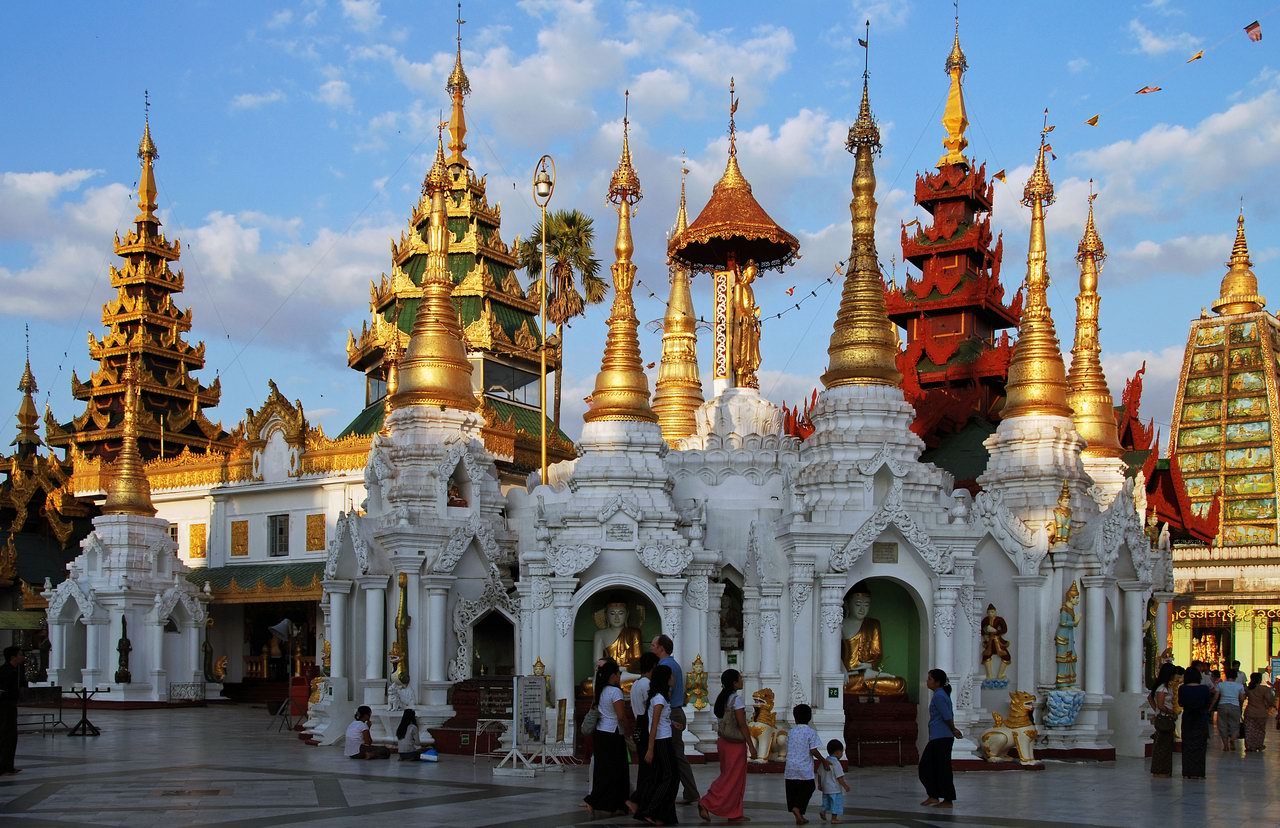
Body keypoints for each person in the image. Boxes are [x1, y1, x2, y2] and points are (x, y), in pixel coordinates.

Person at [699, 669, 755, 823]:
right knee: (732, 778)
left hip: (723, 742)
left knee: (730, 776)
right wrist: (751, 745)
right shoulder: (736, 700)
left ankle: (734, 812)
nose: (742, 680)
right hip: (735, 744)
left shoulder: (722, 698)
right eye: (740, 678)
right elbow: (742, 725)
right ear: (734, 682)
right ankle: (707, 801)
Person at [628, 664, 679, 825]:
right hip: (661, 742)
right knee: (670, 777)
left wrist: (672, 723)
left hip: (663, 738)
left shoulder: (659, 697)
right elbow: (654, 725)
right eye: (671, 675)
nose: (673, 678)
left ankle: (657, 812)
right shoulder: (659, 699)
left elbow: (660, 720)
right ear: (666, 679)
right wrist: (650, 749)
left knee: (663, 777)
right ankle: (651, 811)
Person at [651, 634, 699, 804]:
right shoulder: (671, 664)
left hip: (671, 712)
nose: (651, 647)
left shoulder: (665, 666)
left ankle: (690, 791)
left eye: (654, 645)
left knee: (676, 755)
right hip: (674, 711)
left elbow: (667, 692)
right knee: (673, 754)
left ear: (661, 648)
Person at [584, 658, 630, 818]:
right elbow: (621, 716)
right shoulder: (616, 692)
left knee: (603, 770)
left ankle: (603, 801)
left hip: (601, 732)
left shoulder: (601, 690)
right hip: (613, 733)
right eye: (618, 674)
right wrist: (629, 729)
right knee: (617, 770)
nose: (619, 677)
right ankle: (611, 802)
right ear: (613, 675)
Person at [918, 668, 960, 808]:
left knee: (940, 768)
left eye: (930, 679)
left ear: (937, 682)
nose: (927, 681)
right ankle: (934, 795)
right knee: (930, 767)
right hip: (938, 736)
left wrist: (953, 729)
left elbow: (947, 716)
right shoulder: (939, 695)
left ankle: (947, 799)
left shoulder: (939, 696)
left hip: (942, 737)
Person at [782, 703, 828, 826]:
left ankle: (799, 815)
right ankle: (798, 809)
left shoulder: (791, 732)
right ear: (809, 717)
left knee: (793, 791)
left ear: (795, 718)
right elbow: (813, 750)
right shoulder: (811, 732)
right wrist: (823, 760)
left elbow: (787, 747)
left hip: (791, 768)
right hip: (804, 768)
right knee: (808, 788)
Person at [632, 652, 660, 794]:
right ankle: (644, 795)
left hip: (638, 723)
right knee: (649, 766)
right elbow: (652, 709)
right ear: (654, 666)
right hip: (646, 724)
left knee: (644, 766)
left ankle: (640, 795)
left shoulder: (635, 684)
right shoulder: (647, 684)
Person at [1178, 667, 1212, 779]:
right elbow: (1208, 703)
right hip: (1201, 718)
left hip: (1188, 717)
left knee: (1187, 744)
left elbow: (1181, 703)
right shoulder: (1204, 689)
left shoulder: (1182, 688)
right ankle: (1199, 771)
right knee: (1200, 745)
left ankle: (1187, 771)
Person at [1148, 662, 1177, 777]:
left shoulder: (1164, 687)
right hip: (1164, 718)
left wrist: (1157, 710)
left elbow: (1150, 697)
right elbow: (1160, 705)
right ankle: (1160, 770)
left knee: (1165, 744)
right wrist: (1170, 712)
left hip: (1164, 716)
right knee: (1162, 745)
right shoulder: (1162, 689)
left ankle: (1163, 769)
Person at [0, 646, 25, 776]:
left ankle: (8, 765)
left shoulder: (17, 670)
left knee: (11, 736)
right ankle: (3, 766)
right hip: (5, 706)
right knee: (5, 735)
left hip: (10, 705)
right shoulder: (5, 671)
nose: (23, 656)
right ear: (13, 657)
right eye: (20, 654)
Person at [816, 739, 850, 824]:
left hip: (825, 788)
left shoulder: (824, 762)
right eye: (842, 752)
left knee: (826, 801)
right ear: (838, 752)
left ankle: (823, 811)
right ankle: (834, 818)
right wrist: (845, 785)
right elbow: (839, 777)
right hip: (835, 789)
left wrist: (819, 785)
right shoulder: (836, 763)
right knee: (836, 803)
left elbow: (819, 774)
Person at [1243, 672, 1275, 752]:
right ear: (1260, 679)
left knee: (1249, 730)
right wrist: (1270, 706)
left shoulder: (1248, 688)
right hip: (1261, 712)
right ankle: (1258, 745)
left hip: (1249, 712)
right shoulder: (1264, 689)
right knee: (1260, 730)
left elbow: (1242, 697)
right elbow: (1269, 700)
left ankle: (1250, 746)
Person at [1215, 668, 1245, 751]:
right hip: (1235, 706)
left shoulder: (1221, 685)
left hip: (1222, 705)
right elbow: (1242, 698)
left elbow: (1216, 697)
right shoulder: (1240, 686)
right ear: (1235, 676)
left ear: (1226, 676)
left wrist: (1211, 707)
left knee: (1222, 725)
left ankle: (1225, 746)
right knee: (1235, 725)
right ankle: (1232, 739)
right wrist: (1240, 707)